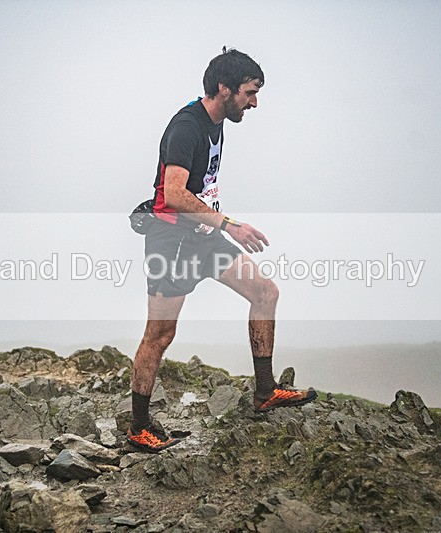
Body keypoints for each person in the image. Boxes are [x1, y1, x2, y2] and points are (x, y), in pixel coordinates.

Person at [126, 48, 316, 453]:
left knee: (265, 292)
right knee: (160, 333)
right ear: (224, 89)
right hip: (172, 239)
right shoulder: (187, 127)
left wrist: (216, 224)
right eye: (250, 92)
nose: (255, 102)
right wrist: (230, 224)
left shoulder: (218, 123)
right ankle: (138, 426)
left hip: (202, 236)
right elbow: (175, 194)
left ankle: (265, 391)